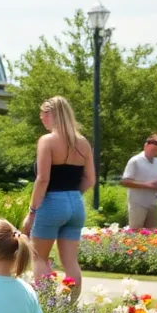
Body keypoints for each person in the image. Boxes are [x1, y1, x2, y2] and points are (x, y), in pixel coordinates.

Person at [22, 96, 96, 287]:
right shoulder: (83, 143)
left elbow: (43, 178)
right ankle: (70, 307)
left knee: (39, 258)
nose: (41, 117)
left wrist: (31, 212)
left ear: (51, 114)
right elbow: (90, 179)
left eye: (43, 113)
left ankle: (47, 306)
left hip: (52, 202)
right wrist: (71, 195)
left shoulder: (47, 141)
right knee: (70, 261)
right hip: (76, 203)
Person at [121, 133, 157, 229]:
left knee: (152, 235)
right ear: (146, 145)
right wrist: (147, 185)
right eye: (154, 149)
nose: (156, 151)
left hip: (153, 203)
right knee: (135, 233)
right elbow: (125, 182)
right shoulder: (135, 161)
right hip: (137, 204)